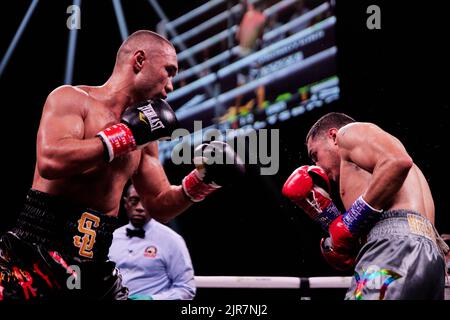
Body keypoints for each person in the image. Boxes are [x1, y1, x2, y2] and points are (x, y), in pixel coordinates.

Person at [0, 30, 243, 300]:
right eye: (169, 71)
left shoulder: (146, 138)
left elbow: (159, 204)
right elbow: (50, 161)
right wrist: (124, 137)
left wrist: (203, 180)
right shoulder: (72, 99)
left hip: (94, 263)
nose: (171, 86)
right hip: (37, 253)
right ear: (139, 61)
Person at [283, 112, 449, 300]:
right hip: (430, 258)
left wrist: (350, 221)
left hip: (396, 248)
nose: (317, 166)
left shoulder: (348, 133)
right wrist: (333, 226)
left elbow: (397, 162)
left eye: (315, 155)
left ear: (333, 136)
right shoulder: (370, 171)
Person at [109, 184, 196, 300]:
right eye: (134, 201)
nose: (139, 207)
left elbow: (186, 289)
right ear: (125, 203)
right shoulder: (111, 237)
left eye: (144, 202)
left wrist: (152, 299)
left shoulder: (172, 240)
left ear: (152, 204)